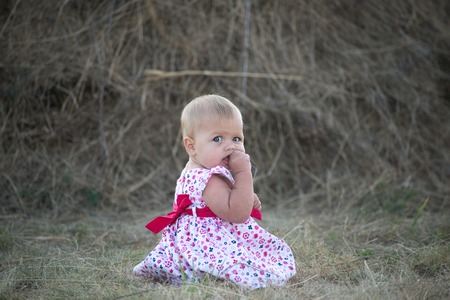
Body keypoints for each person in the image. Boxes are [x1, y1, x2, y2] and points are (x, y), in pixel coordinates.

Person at [133, 94, 296, 289]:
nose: (231, 145)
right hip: (207, 248)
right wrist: (244, 172)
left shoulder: (194, 170)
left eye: (237, 138)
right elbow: (237, 213)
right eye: (217, 138)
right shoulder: (208, 178)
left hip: (191, 244)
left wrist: (244, 195)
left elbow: (221, 201)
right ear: (191, 146)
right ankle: (213, 273)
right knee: (252, 265)